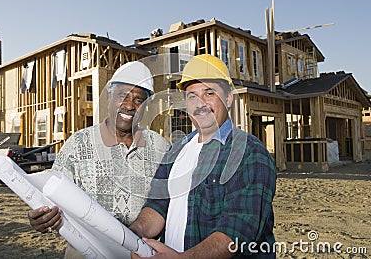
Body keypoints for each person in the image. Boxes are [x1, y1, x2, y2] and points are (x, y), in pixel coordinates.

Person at [129, 54, 277, 258]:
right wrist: (135, 231)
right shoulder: (176, 150)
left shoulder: (249, 152)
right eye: (192, 96)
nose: (200, 104)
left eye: (209, 93)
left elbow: (238, 230)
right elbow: (157, 205)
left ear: (228, 98)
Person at [27, 61, 169, 258]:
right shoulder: (78, 144)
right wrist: (40, 216)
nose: (129, 105)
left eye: (139, 100)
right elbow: (48, 195)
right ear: (109, 97)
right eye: (122, 96)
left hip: (142, 253)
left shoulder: (161, 147)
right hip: (85, 252)